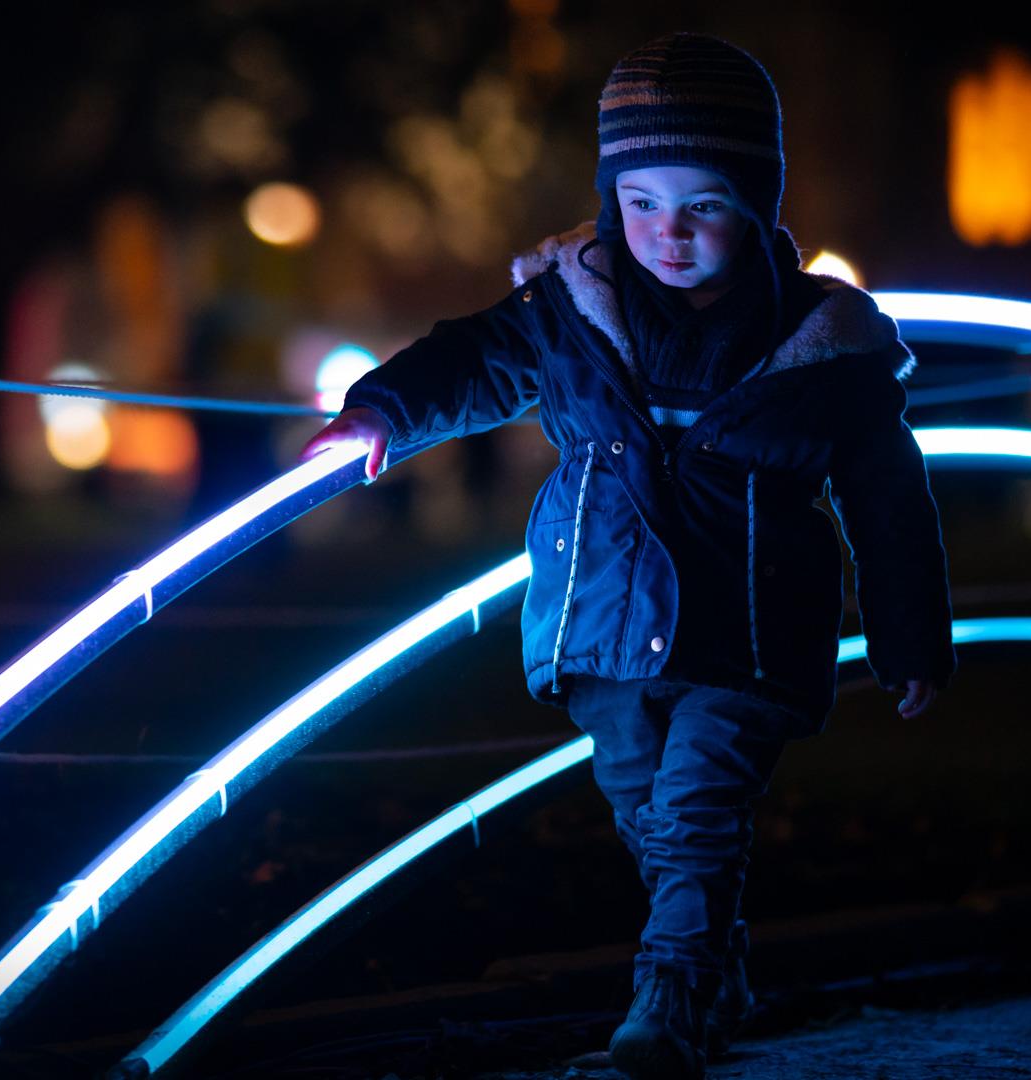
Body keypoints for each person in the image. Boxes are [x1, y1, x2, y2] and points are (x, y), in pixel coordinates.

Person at [297, 31, 957, 1080]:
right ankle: (715, 972)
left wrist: (909, 631)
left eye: (702, 205)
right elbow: (473, 359)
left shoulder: (824, 345)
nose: (670, 233)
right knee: (647, 807)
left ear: (754, 200)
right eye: (643, 203)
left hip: (749, 628)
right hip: (605, 621)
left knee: (698, 807)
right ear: (611, 201)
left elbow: (887, 496)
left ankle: (667, 997)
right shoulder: (571, 310)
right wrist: (381, 412)